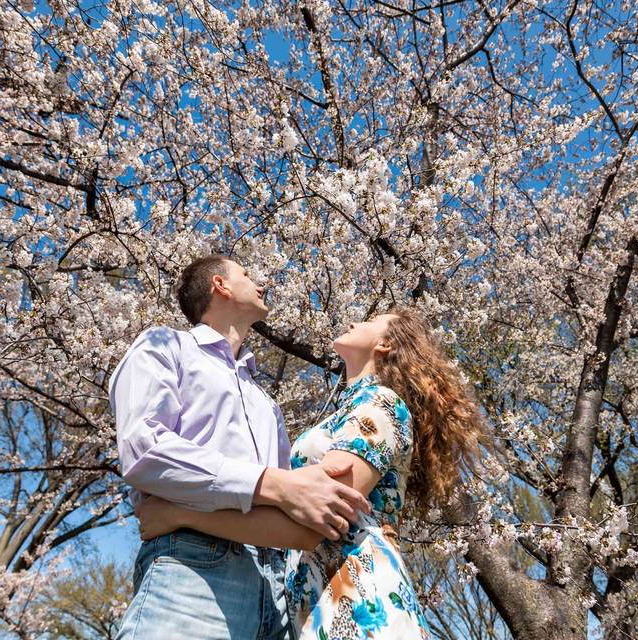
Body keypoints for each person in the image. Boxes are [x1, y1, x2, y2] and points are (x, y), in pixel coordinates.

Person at [138, 309, 486, 639]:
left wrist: (179, 514)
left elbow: (311, 524)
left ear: (385, 344)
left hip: (360, 598)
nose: (353, 322)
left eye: (370, 321)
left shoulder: (380, 403)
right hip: (321, 601)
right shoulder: (350, 410)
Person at [109, 254, 370, 640]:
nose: (261, 284)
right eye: (247, 274)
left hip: (278, 586)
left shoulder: (265, 403)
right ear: (221, 285)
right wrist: (276, 484)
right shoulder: (167, 347)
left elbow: (293, 505)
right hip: (195, 566)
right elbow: (144, 449)